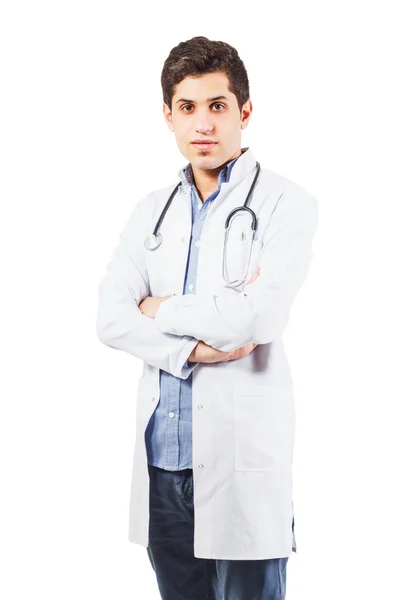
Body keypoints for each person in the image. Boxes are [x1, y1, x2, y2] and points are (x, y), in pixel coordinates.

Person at [96, 35, 319, 600]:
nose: (204, 124)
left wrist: (161, 308)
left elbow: (257, 318)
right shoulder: (152, 210)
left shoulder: (285, 203)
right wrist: (193, 347)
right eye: (188, 108)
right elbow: (111, 318)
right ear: (168, 117)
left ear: (244, 111)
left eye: (217, 106)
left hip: (241, 465)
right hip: (163, 469)